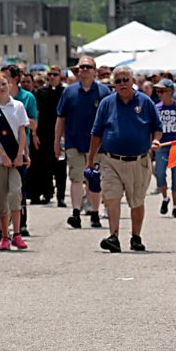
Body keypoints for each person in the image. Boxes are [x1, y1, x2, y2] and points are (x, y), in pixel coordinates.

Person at [88, 67, 162, 253]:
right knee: (111, 197)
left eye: (125, 80)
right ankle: (113, 236)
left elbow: (156, 127)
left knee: (136, 200)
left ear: (132, 81)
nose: (122, 84)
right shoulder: (107, 103)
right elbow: (96, 133)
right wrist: (90, 159)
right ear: (113, 83)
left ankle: (136, 237)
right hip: (111, 160)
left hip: (138, 160)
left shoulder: (145, 102)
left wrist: (155, 140)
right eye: (118, 81)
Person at [56, 56, 111, 230]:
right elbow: (61, 118)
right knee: (76, 178)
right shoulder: (69, 91)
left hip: (98, 145)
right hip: (74, 141)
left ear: (95, 71)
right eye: (82, 67)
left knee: (94, 180)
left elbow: (110, 119)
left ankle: (95, 213)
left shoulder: (103, 92)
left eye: (88, 67)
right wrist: (57, 141)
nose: (84, 70)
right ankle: (76, 213)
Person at [0, 73, 30, 251]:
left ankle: (17, 234)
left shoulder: (18, 106)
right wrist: (2, 155)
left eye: (4, 84)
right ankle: (5, 235)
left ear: (9, 85)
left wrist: (21, 155)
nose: (1, 87)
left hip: (16, 159)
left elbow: (22, 132)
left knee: (15, 194)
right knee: (1, 199)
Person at [0, 65, 37, 235]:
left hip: (20, 149)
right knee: (1, 189)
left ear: (14, 79)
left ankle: (21, 223)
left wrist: (17, 118)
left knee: (19, 189)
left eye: (5, 77)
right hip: (0, 150)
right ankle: (3, 225)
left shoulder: (27, 98)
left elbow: (34, 124)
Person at [153, 79, 176, 218]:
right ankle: (165, 198)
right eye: (158, 91)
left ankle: (175, 206)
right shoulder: (156, 108)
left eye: (162, 91)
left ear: (171, 92)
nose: (160, 94)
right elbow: (152, 129)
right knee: (160, 175)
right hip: (161, 146)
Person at [33, 65, 67, 207]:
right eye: (50, 75)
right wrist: (35, 133)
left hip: (61, 135)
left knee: (60, 167)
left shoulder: (65, 92)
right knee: (45, 166)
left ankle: (61, 197)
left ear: (60, 76)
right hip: (44, 133)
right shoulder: (41, 92)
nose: (52, 77)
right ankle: (47, 193)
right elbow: (37, 114)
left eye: (55, 74)